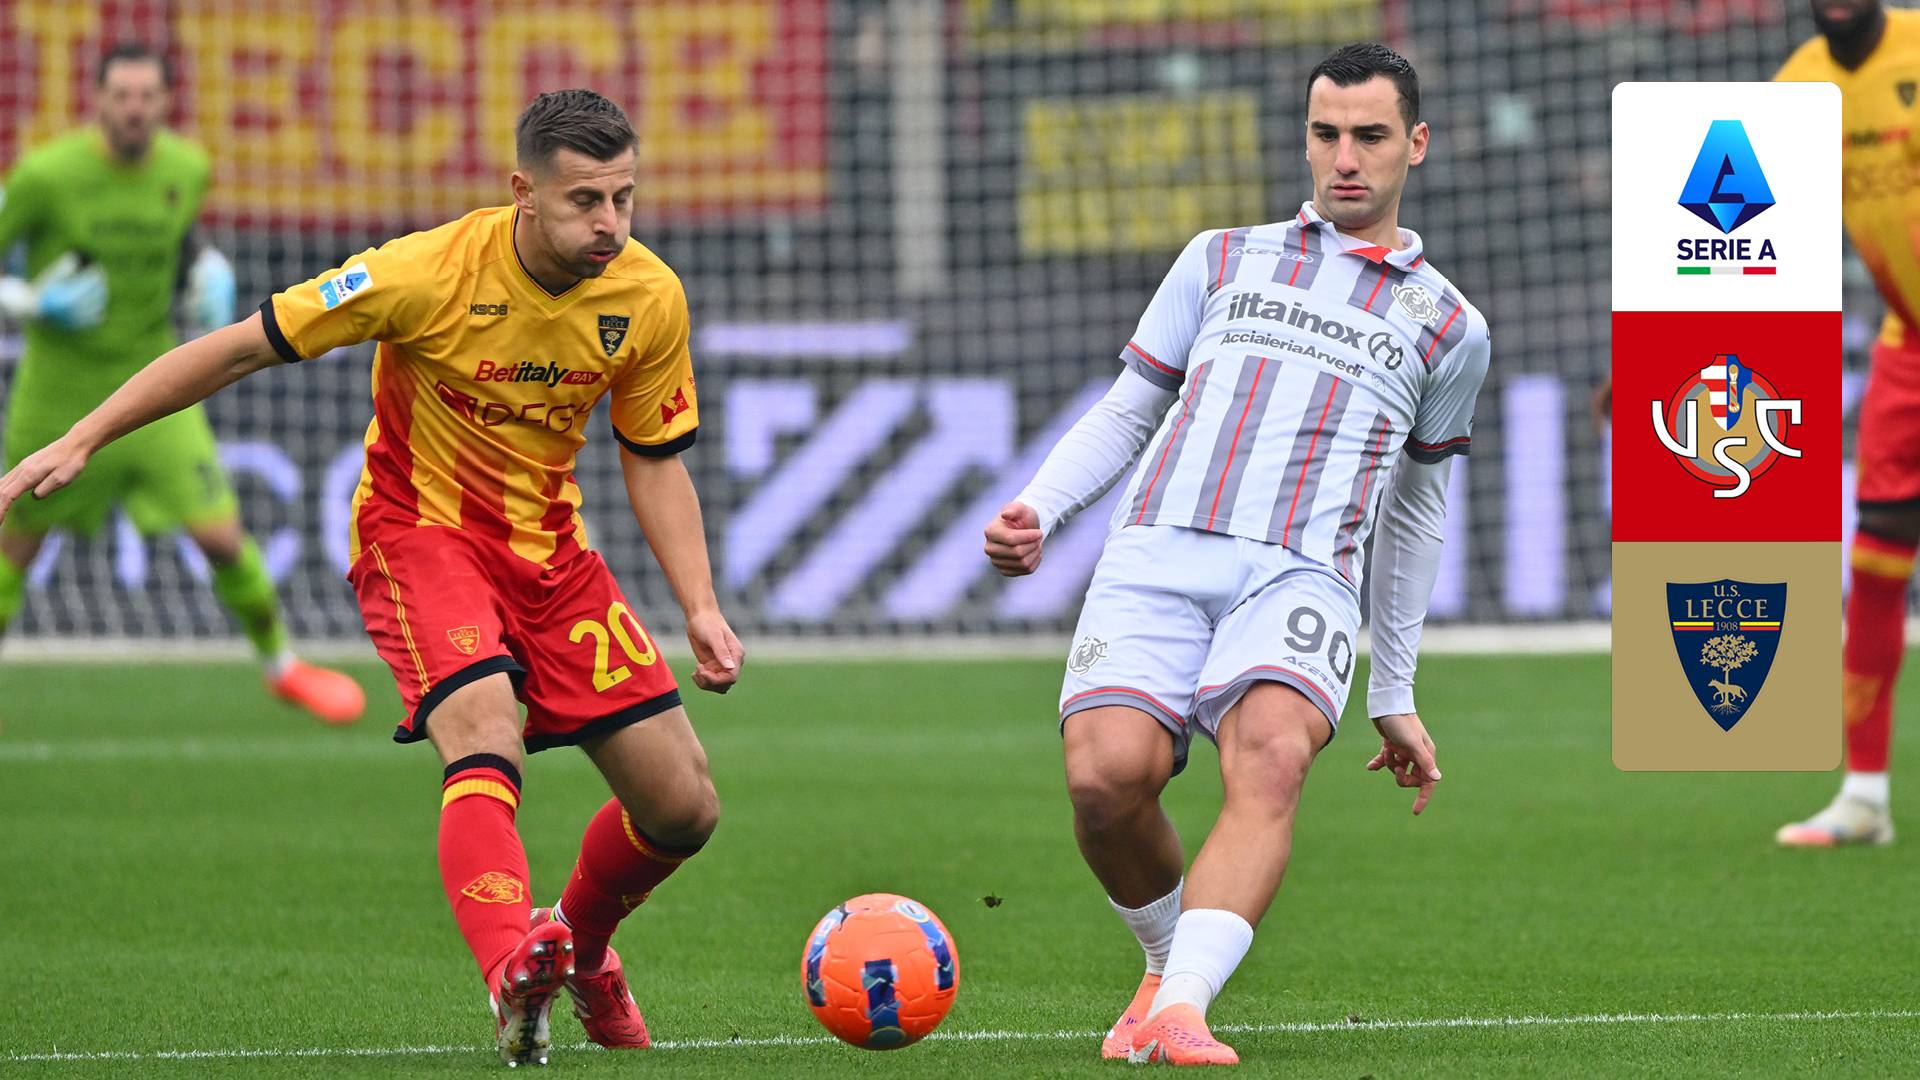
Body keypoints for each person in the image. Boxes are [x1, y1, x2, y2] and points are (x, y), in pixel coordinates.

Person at [0, 87, 744, 1067]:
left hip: (551, 554)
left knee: (684, 806)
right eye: (585, 201)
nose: (610, 222)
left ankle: (580, 950)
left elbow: (651, 456)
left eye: (623, 197)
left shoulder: (647, 295)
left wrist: (699, 604)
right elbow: (238, 348)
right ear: (523, 192)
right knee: (485, 731)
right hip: (419, 538)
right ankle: (510, 975)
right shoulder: (423, 272)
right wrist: (84, 437)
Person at [984, 42, 1488, 1066]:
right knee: (1105, 782)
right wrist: (1040, 505)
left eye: (1370, 136)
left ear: (1417, 145)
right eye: (1326, 134)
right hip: (1158, 551)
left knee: (1272, 757)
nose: (1345, 157)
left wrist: (1395, 688)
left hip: (1303, 573)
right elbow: (1130, 408)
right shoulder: (1220, 256)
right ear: (1305, 139)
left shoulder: (1449, 327)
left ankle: (1183, 1008)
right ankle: (1165, 965)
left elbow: (1417, 510)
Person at [0, 42, 361, 723]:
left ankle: (282, 666)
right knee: (14, 548)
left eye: (147, 97)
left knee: (221, 537)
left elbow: (181, 239)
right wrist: (31, 302)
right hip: (58, 392)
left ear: (167, 102)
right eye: (122, 96)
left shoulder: (186, 168)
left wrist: (205, 267)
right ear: (97, 101)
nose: (134, 109)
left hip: (155, 390)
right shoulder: (46, 176)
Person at [1773, 0, 1915, 847]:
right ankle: (1864, 795)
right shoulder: (1797, 88)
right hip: (1908, 344)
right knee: (1876, 559)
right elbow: (1749, 239)